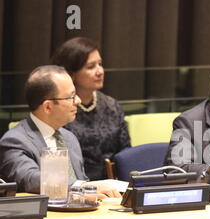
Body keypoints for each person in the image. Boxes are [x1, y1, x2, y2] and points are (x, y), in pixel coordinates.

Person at [0, 65, 120, 197]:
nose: (78, 101)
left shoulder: (69, 137)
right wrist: (83, 187)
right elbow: (30, 179)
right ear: (48, 107)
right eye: (71, 97)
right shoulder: (15, 141)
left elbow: (82, 183)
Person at [51, 37, 130, 180]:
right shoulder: (60, 107)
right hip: (73, 186)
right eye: (91, 66)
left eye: (100, 64)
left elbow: (126, 153)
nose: (100, 71)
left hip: (112, 186)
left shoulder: (112, 106)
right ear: (72, 73)